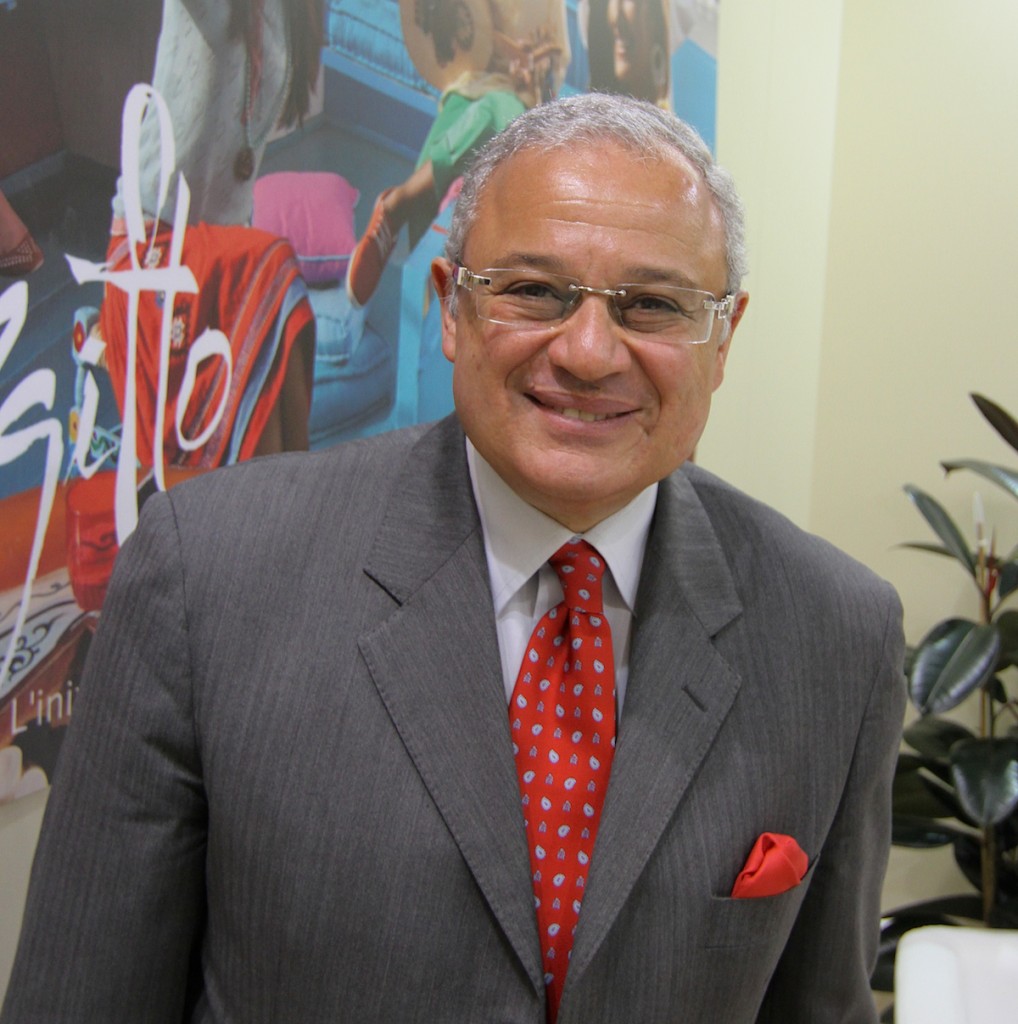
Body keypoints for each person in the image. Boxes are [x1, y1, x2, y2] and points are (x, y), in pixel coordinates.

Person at [0, 93, 905, 1023]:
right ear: (449, 307)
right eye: (534, 291)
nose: (590, 352)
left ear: (723, 340)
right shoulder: (210, 576)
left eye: (654, 306)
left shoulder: (837, 636)